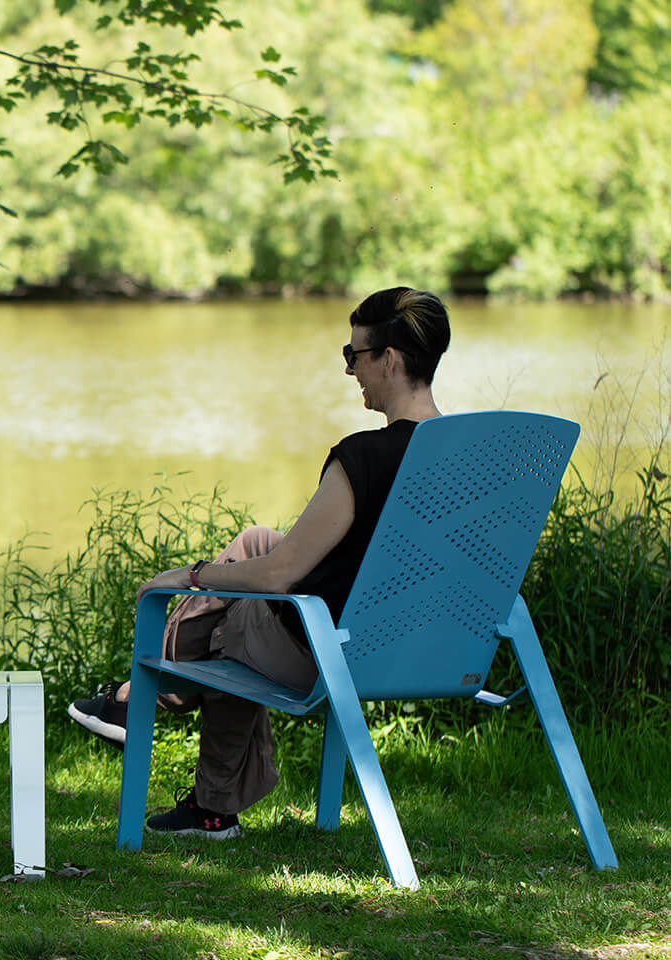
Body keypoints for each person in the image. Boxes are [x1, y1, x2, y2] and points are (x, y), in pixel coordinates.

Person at [68, 287, 452, 839]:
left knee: (231, 616)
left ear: (389, 360)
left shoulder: (365, 457)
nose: (350, 370)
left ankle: (142, 701)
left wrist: (190, 575)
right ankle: (190, 777)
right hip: (421, 646)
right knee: (255, 541)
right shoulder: (472, 458)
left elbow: (277, 577)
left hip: (332, 654)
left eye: (355, 355)